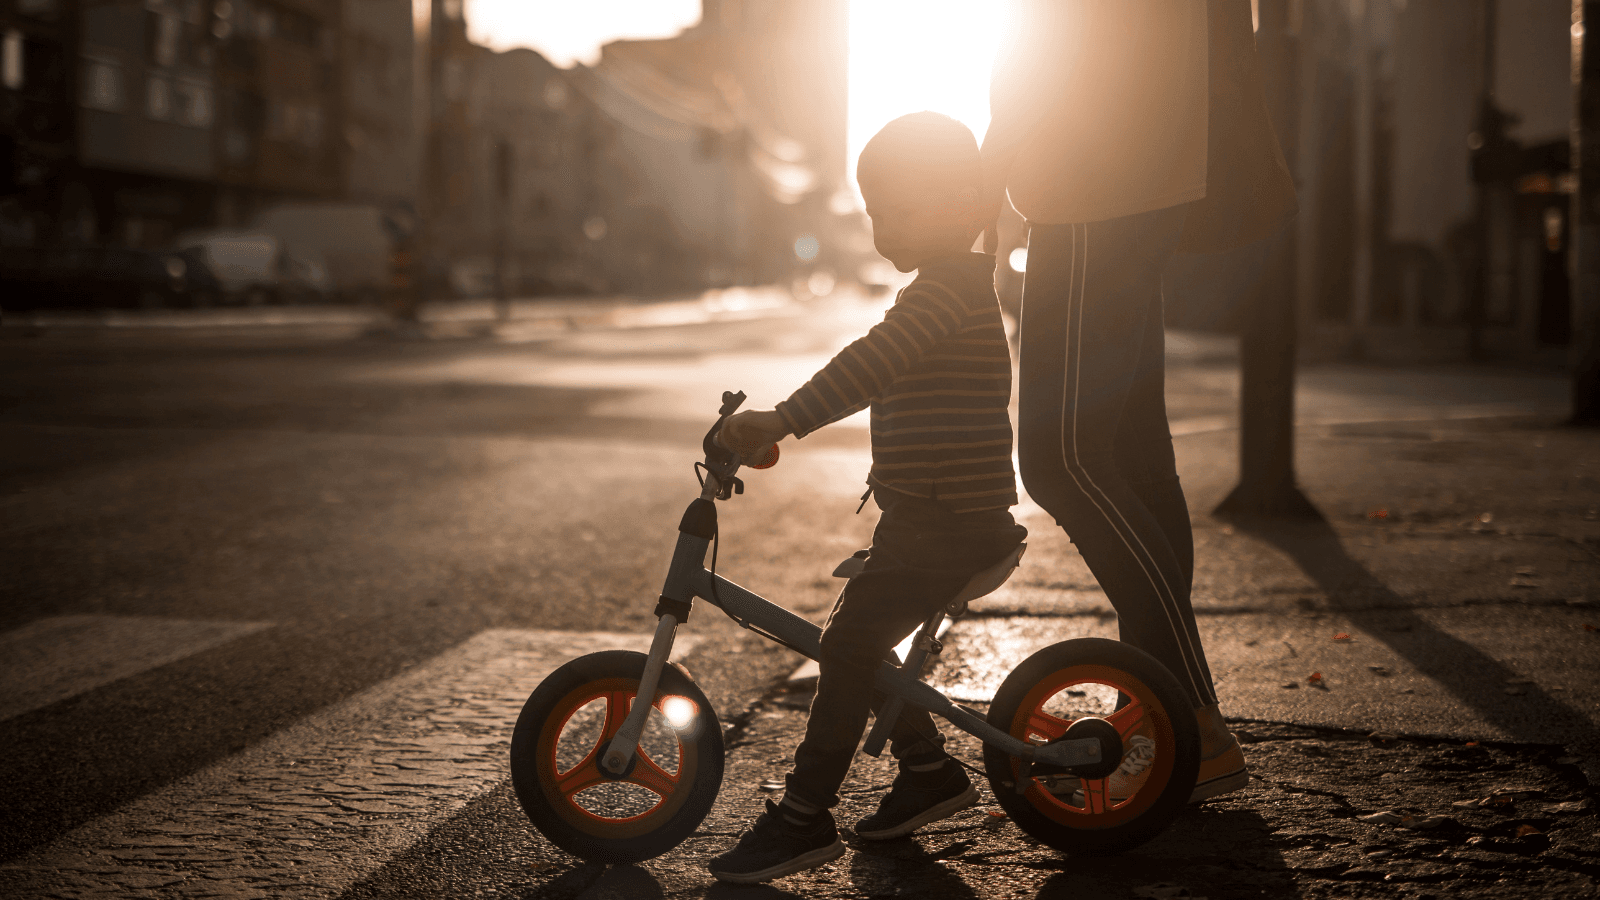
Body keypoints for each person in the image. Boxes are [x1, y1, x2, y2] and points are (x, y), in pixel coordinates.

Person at [980, 0, 1298, 802]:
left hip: (1093, 174)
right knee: (1134, 461)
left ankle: (1188, 711)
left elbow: (1048, 37)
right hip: (1143, 170)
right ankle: (1168, 715)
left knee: (1060, 458)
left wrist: (992, 176)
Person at [707, 111, 1028, 885]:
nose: (886, 229)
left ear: (965, 202)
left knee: (846, 646)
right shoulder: (945, 287)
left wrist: (782, 418)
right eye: (876, 213)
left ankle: (802, 816)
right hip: (930, 518)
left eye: (903, 210)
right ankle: (926, 772)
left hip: (948, 523)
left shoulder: (947, 292)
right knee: (864, 633)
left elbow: (871, 364)